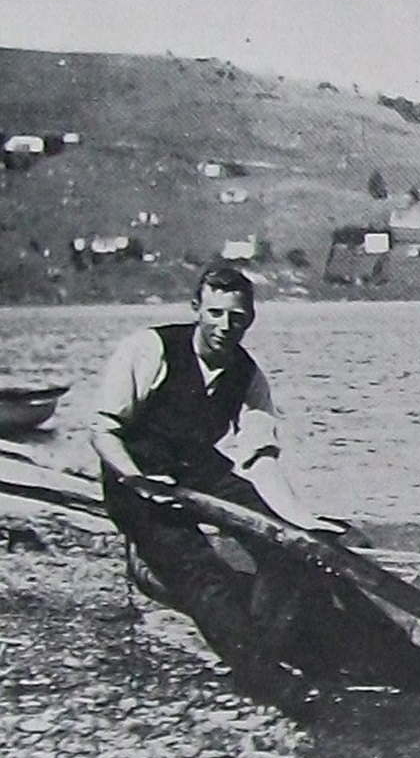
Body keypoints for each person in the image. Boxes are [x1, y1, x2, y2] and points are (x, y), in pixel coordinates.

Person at [91, 265, 345, 680]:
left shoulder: (248, 375)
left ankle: (265, 649)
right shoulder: (149, 349)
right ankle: (266, 681)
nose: (225, 326)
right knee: (202, 574)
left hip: (198, 468)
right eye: (215, 313)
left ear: (250, 318)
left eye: (237, 317)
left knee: (288, 547)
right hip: (134, 476)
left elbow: (260, 456)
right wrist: (139, 481)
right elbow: (103, 430)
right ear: (197, 309)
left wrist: (299, 519)